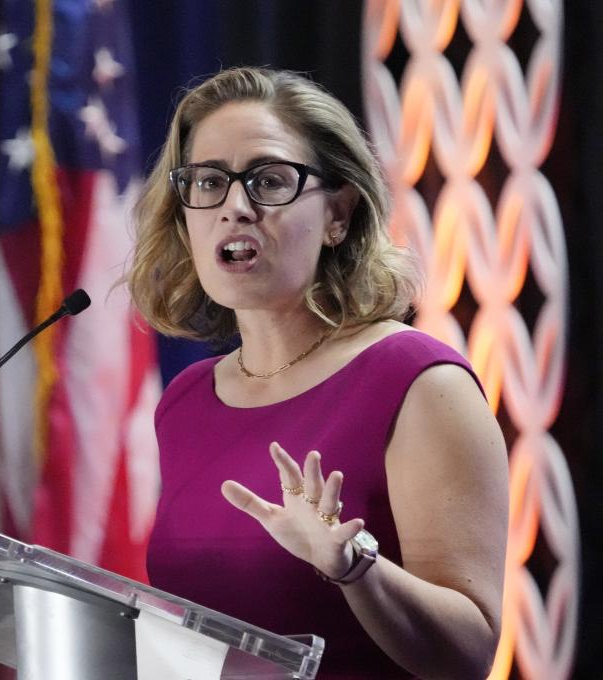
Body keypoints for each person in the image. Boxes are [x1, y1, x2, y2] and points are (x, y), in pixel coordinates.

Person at [126, 67, 508, 680]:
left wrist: (353, 567)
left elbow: (468, 656)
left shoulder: (419, 383)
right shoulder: (188, 400)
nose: (235, 207)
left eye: (270, 180)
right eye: (208, 182)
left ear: (339, 214)